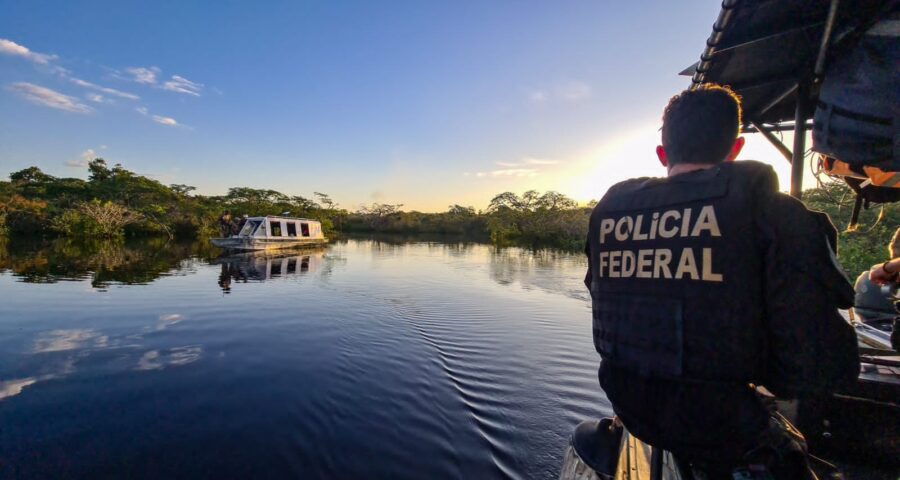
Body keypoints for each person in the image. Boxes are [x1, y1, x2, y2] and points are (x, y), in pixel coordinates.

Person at [584, 84, 860, 477]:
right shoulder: (776, 215)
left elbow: (602, 295)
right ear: (734, 151)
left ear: (663, 155)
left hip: (630, 405)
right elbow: (821, 366)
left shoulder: (609, 213)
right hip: (723, 426)